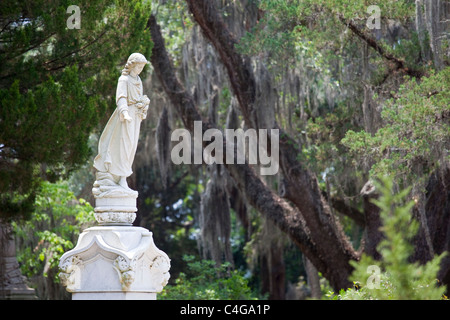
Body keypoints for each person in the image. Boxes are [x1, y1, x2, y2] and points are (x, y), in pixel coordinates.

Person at [93, 53, 150, 192]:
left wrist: (143, 103)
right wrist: (125, 113)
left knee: (131, 148)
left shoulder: (138, 80)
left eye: (142, 67)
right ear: (131, 65)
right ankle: (119, 178)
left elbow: (138, 98)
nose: (140, 70)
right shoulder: (123, 79)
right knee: (123, 147)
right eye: (138, 67)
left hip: (135, 117)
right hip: (125, 117)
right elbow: (121, 98)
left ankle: (122, 178)